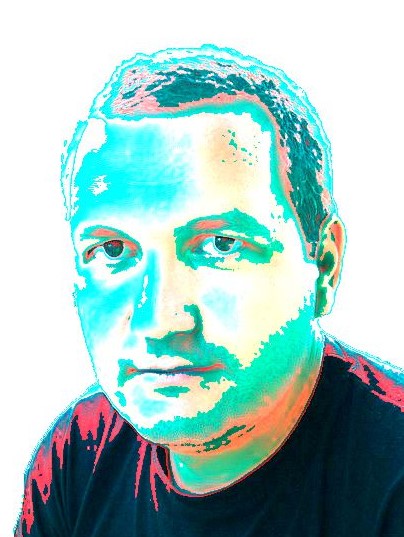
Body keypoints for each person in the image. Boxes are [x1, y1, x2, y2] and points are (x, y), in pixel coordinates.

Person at [15, 45, 404, 537]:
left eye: (221, 245)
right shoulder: (79, 455)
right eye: (112, 250)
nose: (160, 322)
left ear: (323, 267)